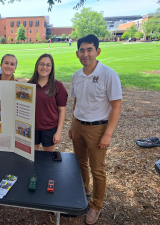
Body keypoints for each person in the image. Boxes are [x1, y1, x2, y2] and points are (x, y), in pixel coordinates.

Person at [68, 34, 122, 224]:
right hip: (78, 125)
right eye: (82, 50)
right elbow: (76, 100)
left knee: (97, 169)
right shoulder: (76, 75)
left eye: (89, 49)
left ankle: (96, 205)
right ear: (77, 53)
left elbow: (116, 106)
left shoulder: (109, 74)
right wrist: (72, 123)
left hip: (97, 129)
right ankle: (85, 189)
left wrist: (108, 134)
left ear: (97, 51)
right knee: (80, 162)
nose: (85, 54)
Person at [28, 54, 67, 152]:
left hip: (50, 129)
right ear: (37, 66)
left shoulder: (58, 86)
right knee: (32, 158)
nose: (44, 67)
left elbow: (62, 111)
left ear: (52, 68)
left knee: (48, 160)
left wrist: (58, 132)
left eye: (48, 65)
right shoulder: (28, 86)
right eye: (42, 64)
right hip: (32, 128)